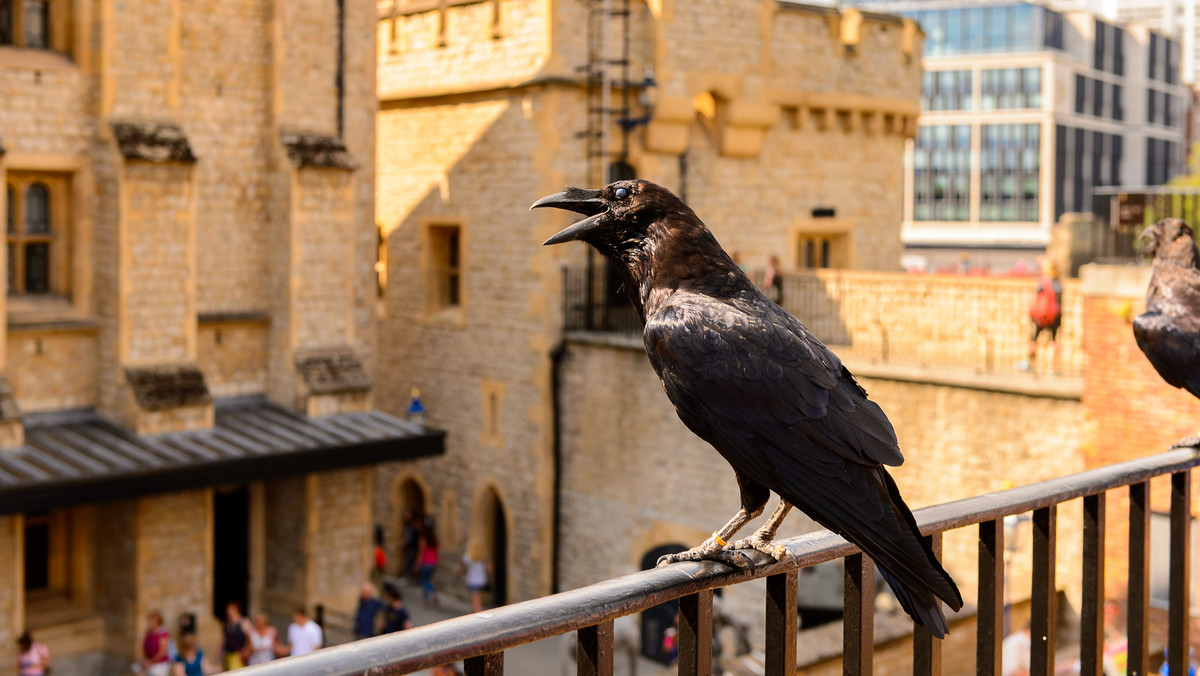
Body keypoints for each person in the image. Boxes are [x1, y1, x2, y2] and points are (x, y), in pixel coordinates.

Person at [1020, 259, 1063, 373]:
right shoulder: (1058, 284)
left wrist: (1032, 313)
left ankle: (1031, 364)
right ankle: (1052, 368)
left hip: (1040, 315)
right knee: (1053, 341)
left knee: (1034, 340)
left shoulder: (1041, 283)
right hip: (1054, 315)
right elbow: (1060, 301)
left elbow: (1035, 299)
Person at [457, 540, 491, 613]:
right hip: (482, 580)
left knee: (475, 602)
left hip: (473, 581)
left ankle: (479, 617)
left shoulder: (468, 557)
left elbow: (462, 568)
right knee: (478, 599)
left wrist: (458, 572)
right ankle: (476, 614)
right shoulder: (484, 557)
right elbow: (489, 569)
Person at [413, 516, 440, 606]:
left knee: (425, 581)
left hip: (425, 563)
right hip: (433, 563)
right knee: (429, 580)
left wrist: (417, 564)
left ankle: (426, 600)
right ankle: (434, 594)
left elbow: (421, 553)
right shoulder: (435, 539)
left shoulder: (423, 539)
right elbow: (437, 551)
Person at [222, 601, 251, 669]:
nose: (229, 612)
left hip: (238, 655)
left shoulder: (243, 622)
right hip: (228, 654)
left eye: (231, 609)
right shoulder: (227, 623)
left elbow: (250, 638)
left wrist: (246, 651)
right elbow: (224, 639)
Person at [141, 611, 173, 676]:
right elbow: (143, 647)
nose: (152, 623)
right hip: (148, 663)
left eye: (154, 621)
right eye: (151, 621)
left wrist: (151, 661)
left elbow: (162, 651)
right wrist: (145, 660)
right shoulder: (148, 632)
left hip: (159, 665)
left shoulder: (163, 633)